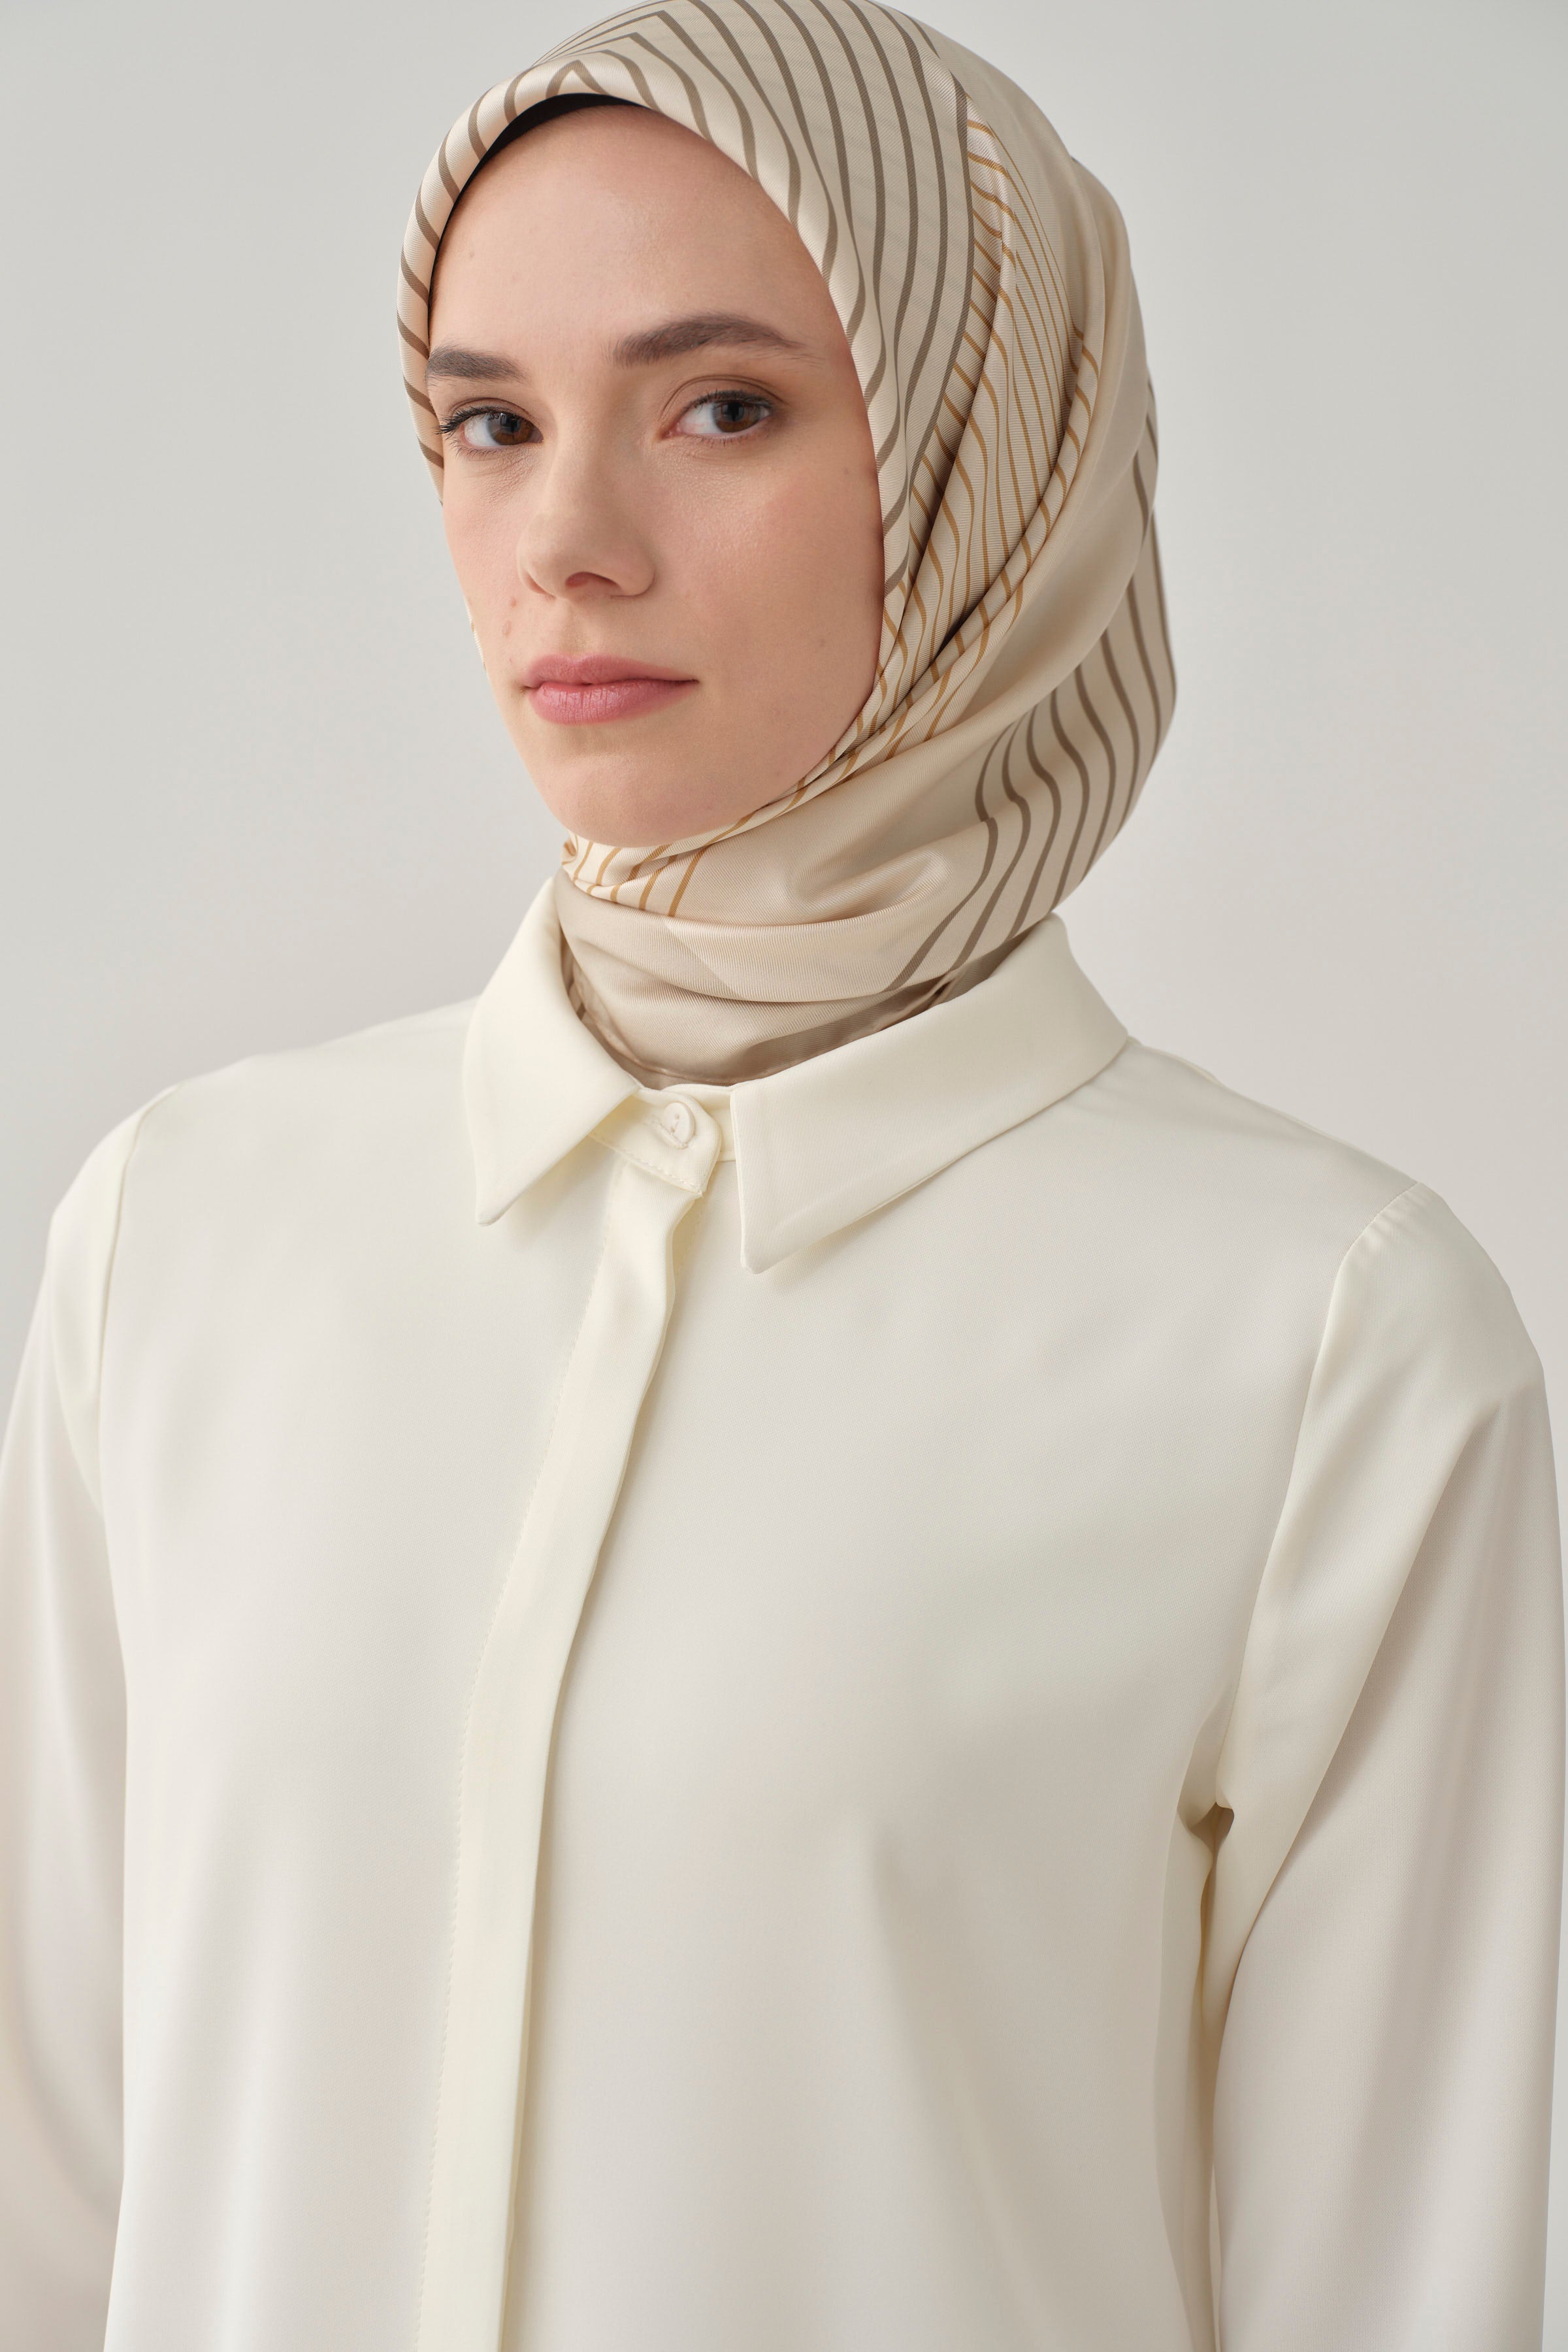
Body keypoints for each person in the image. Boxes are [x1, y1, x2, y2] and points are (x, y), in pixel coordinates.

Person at [1, 2, 1560, 2346]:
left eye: (720, 407)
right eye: (489, 424)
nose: (567, 545)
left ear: (984, 455)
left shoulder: (1328, 1348)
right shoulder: (180, 1241)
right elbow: (52, 2206)